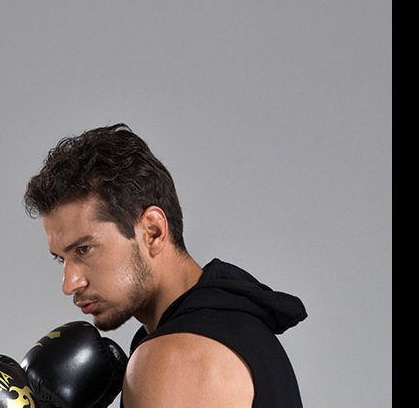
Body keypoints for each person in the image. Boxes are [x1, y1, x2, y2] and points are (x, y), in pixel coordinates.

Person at [23, 123, 307, 407]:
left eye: (84, 250)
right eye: (61, 258)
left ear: (153, 231)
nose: (69, 284)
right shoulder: (237, 324)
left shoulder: (174, 357)